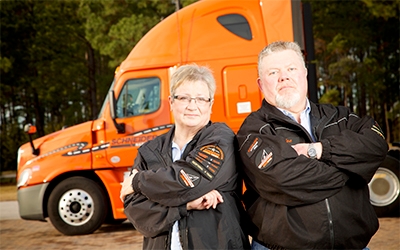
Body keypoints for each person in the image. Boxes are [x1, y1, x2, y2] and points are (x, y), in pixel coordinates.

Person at [236, 41, 388, 249]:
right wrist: (349, 169)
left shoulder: (340, 117)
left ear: (304, 73)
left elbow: (377, 144)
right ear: (261, 84)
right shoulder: (254, 130)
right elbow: (284, 180)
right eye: (273, 73)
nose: (284, 77)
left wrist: (320, 150)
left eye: (291, 68)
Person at [120, 64, 250, 250]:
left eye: (200, 99)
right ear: (171, 102)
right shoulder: (149, 151)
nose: (192, 106)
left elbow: (190, 178)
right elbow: (136, 210)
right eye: (184, 98)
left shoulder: (221, 138)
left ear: (210, 104)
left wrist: (138, 182)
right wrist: (185, 205)